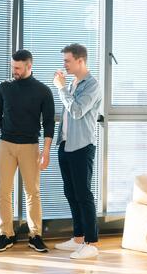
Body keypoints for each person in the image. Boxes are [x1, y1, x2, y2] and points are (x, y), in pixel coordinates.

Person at [0, 49, 55, 253]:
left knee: (33, 192)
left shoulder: (43, 91)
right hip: (6, 145)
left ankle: (35, 235)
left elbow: (49, 123)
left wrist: (46, 151)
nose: (14, 71)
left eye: (17, 67)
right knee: (3, 192)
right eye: (12, 67)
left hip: (30, 146)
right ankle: (6, 234)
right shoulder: (4, 87)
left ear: (29, 66)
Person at [53, 43, 101, 259]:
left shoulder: (92, 85)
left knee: (83, 194)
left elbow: (77, 111)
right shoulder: (73, 83)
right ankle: (78, 238)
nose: (64, 65)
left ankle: (91, 242)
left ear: (80, 60)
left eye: (67, 61)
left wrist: (61, 89)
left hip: (82, 146)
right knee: (71, 192)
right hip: (66, 144)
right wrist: (65, 88)